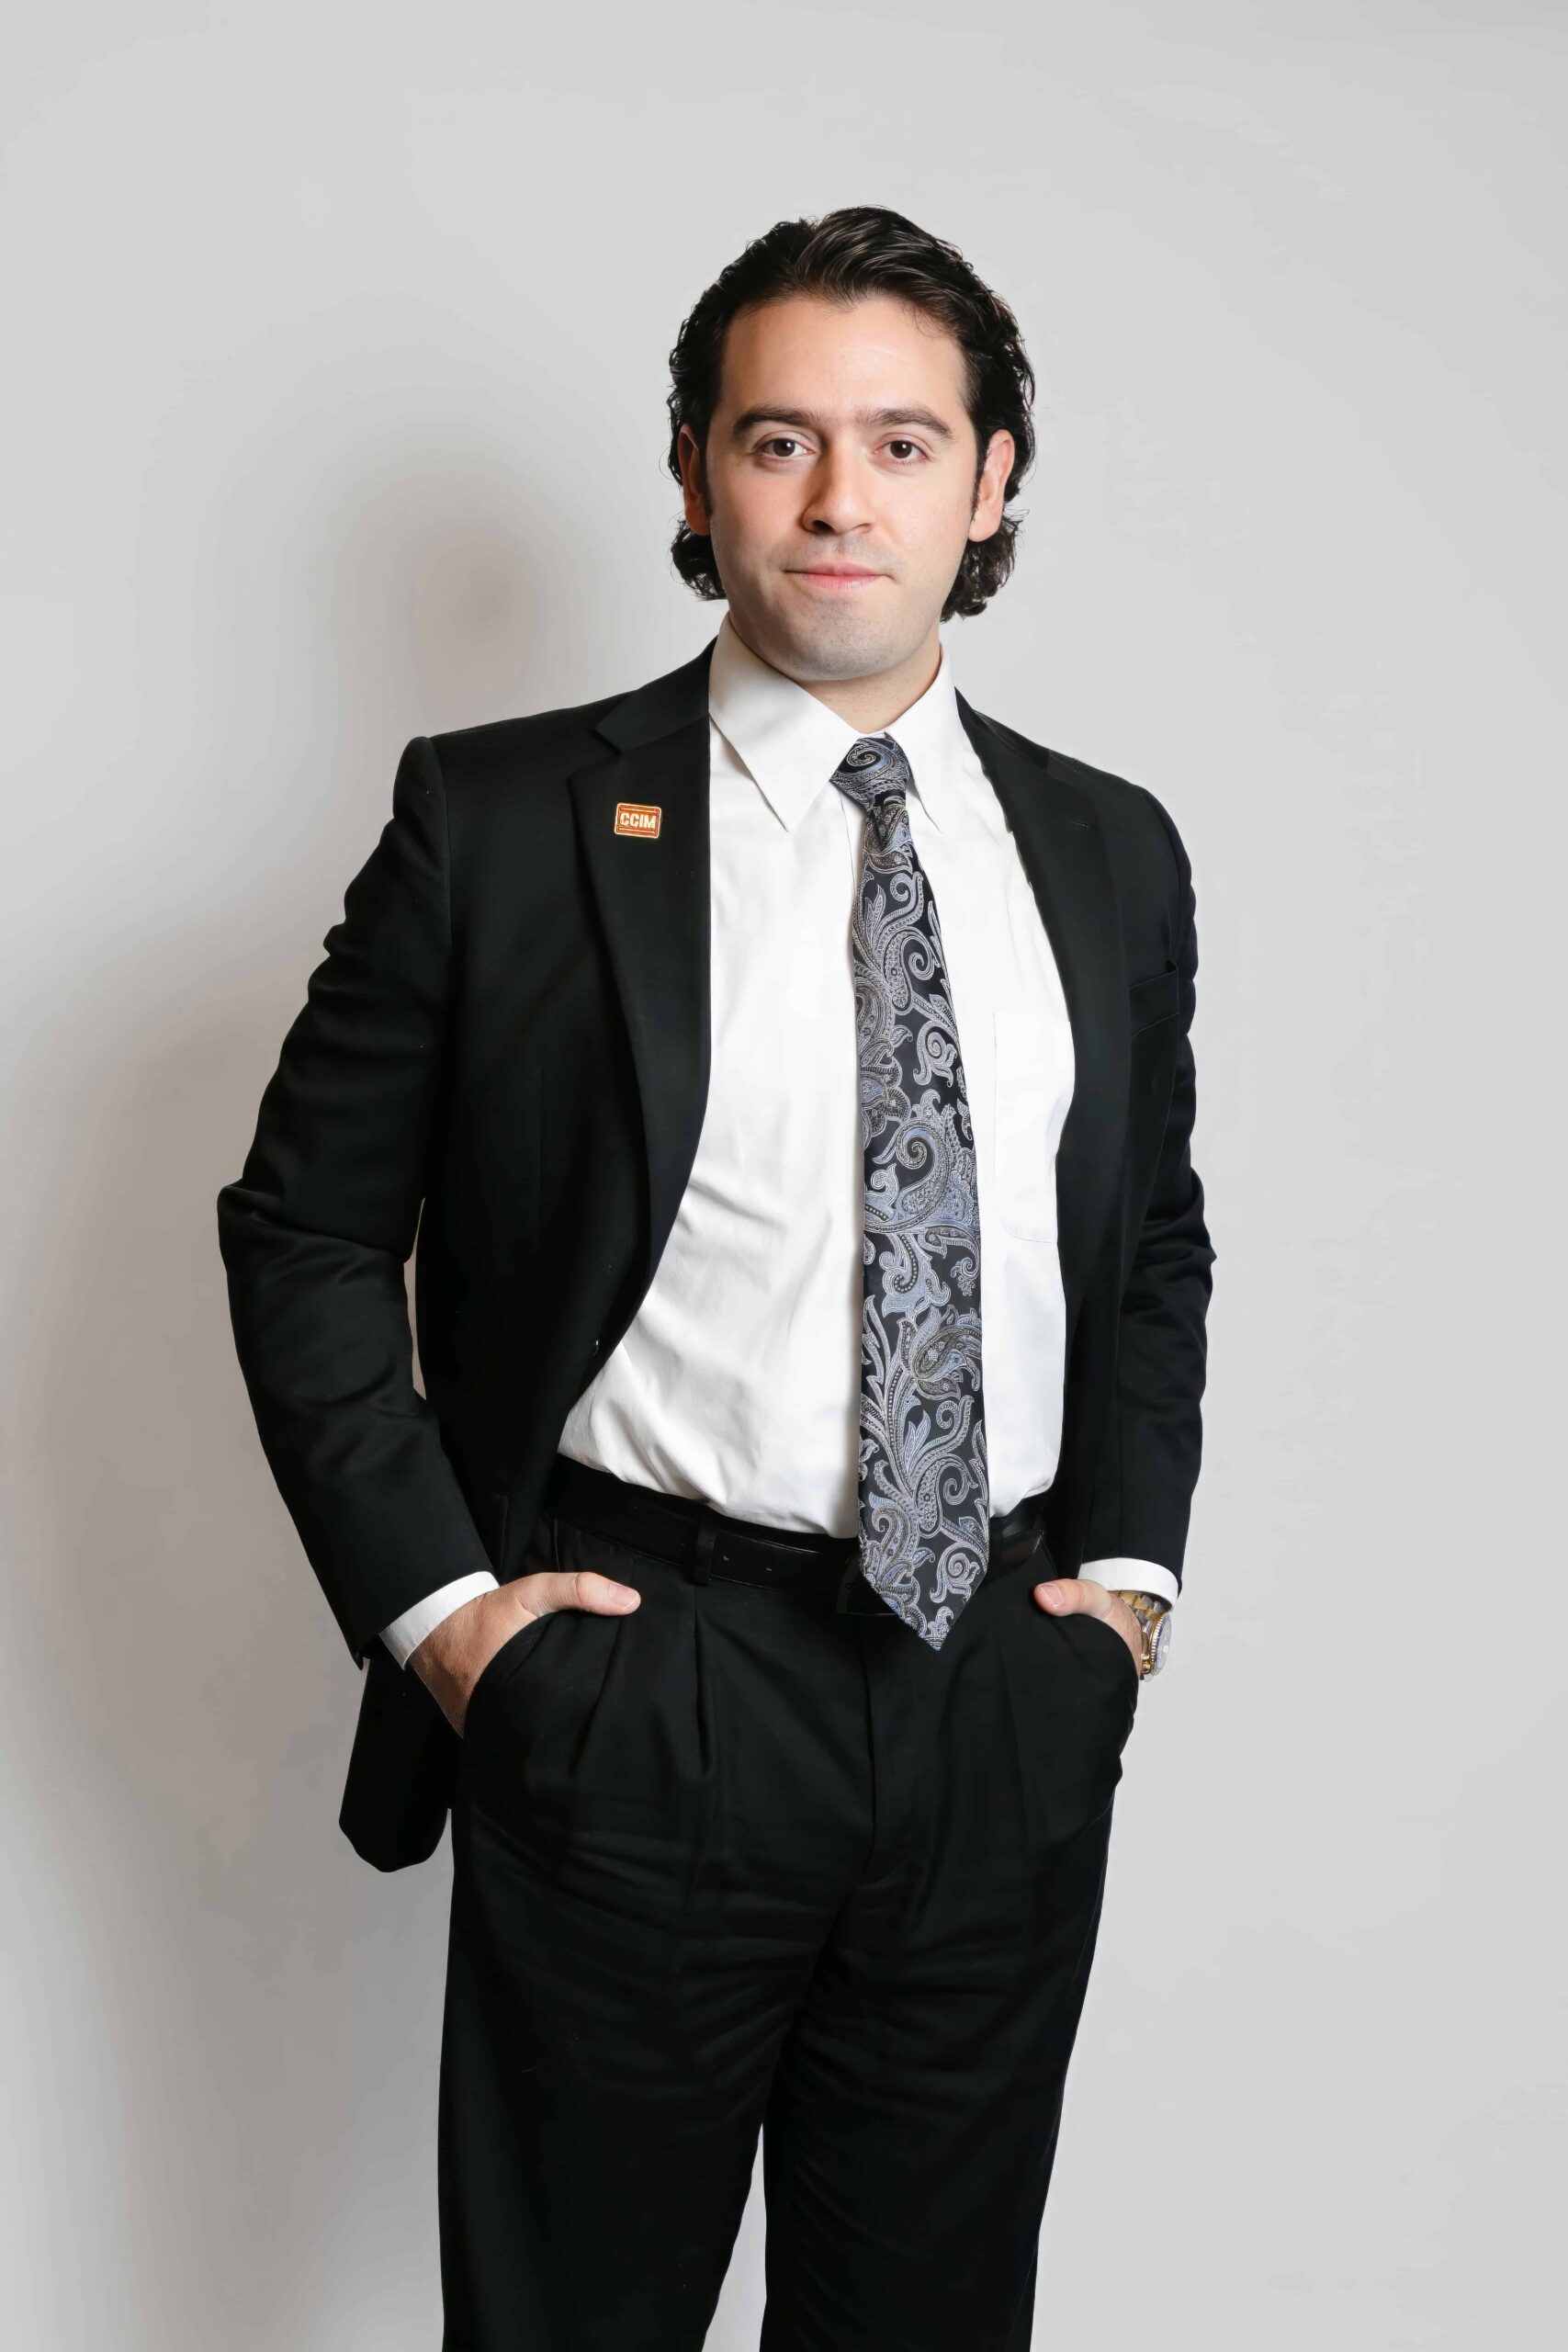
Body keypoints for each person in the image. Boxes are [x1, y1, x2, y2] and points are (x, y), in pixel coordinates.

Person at [217, 203, 1216, 2352]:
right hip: (640, 1688)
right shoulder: (498, 823)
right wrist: (452, 1625)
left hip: (998, 1699)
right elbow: (300, 1224)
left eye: (902, 440)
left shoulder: (1107, 847)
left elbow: (1144, 1237)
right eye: (777, 439)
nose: (841, 498)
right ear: (691, 475)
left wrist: (1123, 1591)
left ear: (993, 479)